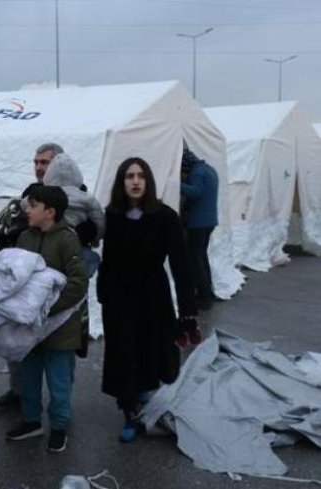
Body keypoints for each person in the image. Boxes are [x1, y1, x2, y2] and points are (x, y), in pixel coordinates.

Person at [97, 157, 201, 444]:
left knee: (150, 349)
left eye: (141, 175)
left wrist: (188, 310)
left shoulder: (164, 216)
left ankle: (143, 389)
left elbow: (181, 265)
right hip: (120, 298)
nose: (135, 181)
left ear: (148, 181)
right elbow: (108, 259)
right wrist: (103, 292)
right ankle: (130, 413)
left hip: (153, 296)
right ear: (122, 181)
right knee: (124, 354)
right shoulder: (113, 215)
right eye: (129, 175)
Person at [6, 186, 88, 453]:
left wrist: (48, 309)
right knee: (28, 376)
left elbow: (78, 283)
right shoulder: (24, 239)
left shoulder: (67, 239)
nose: (27, 210)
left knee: (58, 381)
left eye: (33, 205)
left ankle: (60, 426)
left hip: (60, 329)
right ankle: (31, 421)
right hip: (30, 328)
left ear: (50, 212)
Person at [0, 142, 65, 409]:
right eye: (36, 162)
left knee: (58, 352)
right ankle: (19, 393)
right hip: (28, 282)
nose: (39, 167)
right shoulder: (30, 193)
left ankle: (60, 406)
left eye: (45, 162)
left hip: (57, 283)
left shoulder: (73, 194)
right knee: (18, 341)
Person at [42, 153, 106, 276]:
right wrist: (96, 238)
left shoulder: (44, 195)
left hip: (49, 243)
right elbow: (99, 221)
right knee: (92, 259)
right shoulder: (86, 198)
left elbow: (26, 205)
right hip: (77, 243)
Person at [180, 147, 220, 310]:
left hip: (198, 222)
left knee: (194, 259)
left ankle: (203, 296)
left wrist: (177, 183)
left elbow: (195, 192)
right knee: (202, 256)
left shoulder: (197, 172)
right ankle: (207, 291)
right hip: (210, 221)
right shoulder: (209, 169)